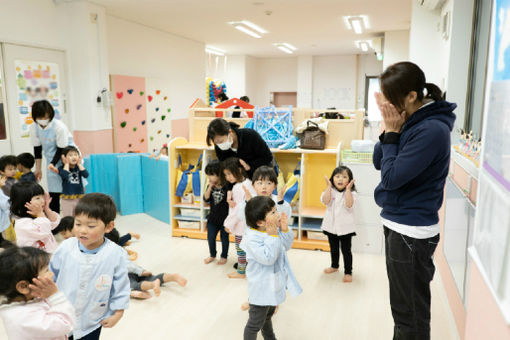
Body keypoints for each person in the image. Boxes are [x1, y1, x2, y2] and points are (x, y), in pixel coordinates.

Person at [373, 61, 456, 340]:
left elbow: (391, 178)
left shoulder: (431, 129)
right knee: (405, 311)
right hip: (401, 225)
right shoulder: (412, 121)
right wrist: (389, 130)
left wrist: (393, 134)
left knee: (410, 317)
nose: (388, 107)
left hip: (411, 232)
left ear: (411, 96)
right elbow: (379, 161)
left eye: (391, 100)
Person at [50, 193, 130, 340]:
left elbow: (121, 287)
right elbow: (50, 274)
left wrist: (118, 313)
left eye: (91, 226)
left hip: (92, 321)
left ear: (109, 226)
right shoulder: (66, 247)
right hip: (60, 316)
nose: (82, 230)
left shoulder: (116, 254)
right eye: (78, 224)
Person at [240, 196, 302, 340]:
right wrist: (273, 236)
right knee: (254, 324)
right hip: (261, 288)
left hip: (273, 285)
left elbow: (285, 246)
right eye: (273, 213)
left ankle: (270, 338)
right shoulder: (252, 238)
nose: (278, 214)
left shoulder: (272, 229)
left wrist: (285, 230)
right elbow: (268, 258)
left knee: (267, 317)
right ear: (261, 222)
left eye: (275, 210)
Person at [0, 246, 76, 339]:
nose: (51, 274)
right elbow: (65, 323)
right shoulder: (22, 318)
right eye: (46, 270)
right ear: (23, 287)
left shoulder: (30, 299)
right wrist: (55, 296)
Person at [104, 228, 187, 300]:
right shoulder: (120, 249)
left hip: (125, 274)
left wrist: (140, 271)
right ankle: (172, 277)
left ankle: (151, 285)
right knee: (152, 277)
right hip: (134, 270)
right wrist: (141, 271)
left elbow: (124, 265)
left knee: (133, 285)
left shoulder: (105, 253)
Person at [30, 100, 75, 214]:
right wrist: (38, 168)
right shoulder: (34, 127)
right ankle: (55, 222)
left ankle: (73, 220)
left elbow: (61, 148)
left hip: (68, 156)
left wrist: (53, 163)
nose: (43, 120)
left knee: (70, 190)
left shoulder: (59, 127)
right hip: (51, 159)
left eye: (45, 117)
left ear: (50, 115)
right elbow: (37, 149)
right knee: (54, 191)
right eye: (40, 117)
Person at [320, 166, 357, 283]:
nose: (340, 179)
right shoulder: (330, 191)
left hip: (345, 228)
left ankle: (348, 272)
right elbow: (326, 201)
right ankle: (334, 266)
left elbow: (349, 204)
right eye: (337, 176)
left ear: (350, 180)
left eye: (344, 177)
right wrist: (328, 187)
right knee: (333, 248)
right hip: (331, 227)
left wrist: (347, 191)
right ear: (332, 179)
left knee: (346, 250)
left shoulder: (352, 193)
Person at [222, 157, 256, 279]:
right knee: (247, 248)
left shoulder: (239, 187)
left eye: (230, 174)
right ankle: (249, 269)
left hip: (241, 225)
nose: (228, 177)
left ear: (239, 170)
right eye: (226, 175)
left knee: (240, 249)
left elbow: (238, 210)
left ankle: (241, 272)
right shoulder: (247, 183)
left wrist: (228, 224)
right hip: (248, 225)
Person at [206, 118, 273, 179]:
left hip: (260, 176)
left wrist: (248, 166)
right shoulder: (219, 146)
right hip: (237, 179)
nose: (220, 145)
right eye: (217, 143)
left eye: (221, 141)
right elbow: (224, 165)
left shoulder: (250, 135)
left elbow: (267, 157)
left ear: (230, 132)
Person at [11, 182, 61, 253]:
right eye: (37, 198)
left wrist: (47, 209)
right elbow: (44, 232)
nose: (42, 200)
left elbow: (54, 223)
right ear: (24, 202)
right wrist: (40, 214)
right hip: (35, 260)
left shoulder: (38, 215)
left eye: (42, 197)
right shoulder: (22, 223)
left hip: (49, 255)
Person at [203, 160, 230, 265]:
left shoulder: (227, 186)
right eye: (208, 175)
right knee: (210, 237)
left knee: (224, 239)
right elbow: (206, 198)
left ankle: (224, 256)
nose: (209, 177)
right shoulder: (211, 186)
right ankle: (212, 255)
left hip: (225, 219)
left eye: (212, 175)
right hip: (213, 218)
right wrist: (209, 187)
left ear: (220, 174)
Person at [58, 146, 89, 217]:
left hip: (79, 198)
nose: (74, 157)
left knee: (80, 216)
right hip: (67, 199)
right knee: (68, 218)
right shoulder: (61, 168)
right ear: (64, 158)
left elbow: (86, 175)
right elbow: (65, 175)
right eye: (70, 155)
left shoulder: (79, 168)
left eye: (76, 155)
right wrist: (66, 164)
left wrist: (79, 164)